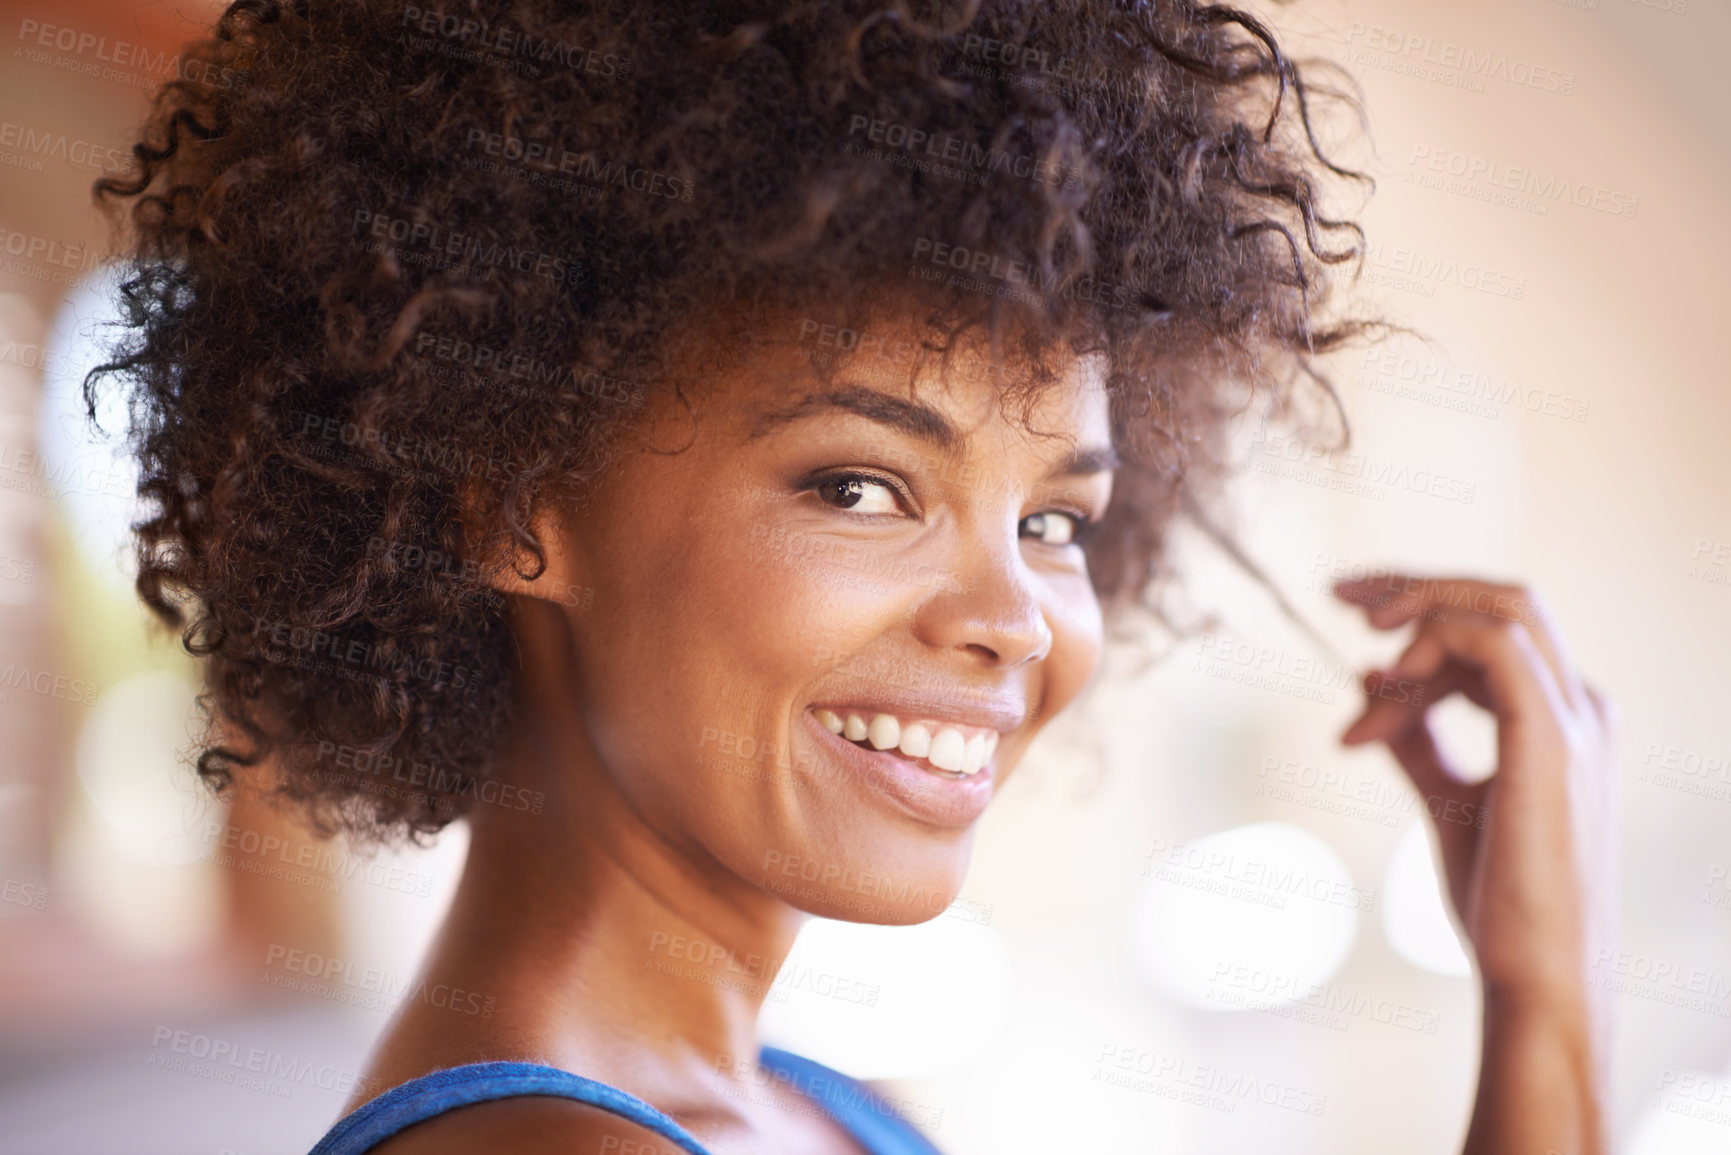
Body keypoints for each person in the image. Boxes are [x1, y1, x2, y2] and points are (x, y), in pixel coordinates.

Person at [89, 0, 1617, 1152]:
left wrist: (1536, 975)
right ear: (506, 495)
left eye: (1055, 521)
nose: (1012, 619)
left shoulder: (807, 1107)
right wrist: (1553, 1011)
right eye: (862, 485)